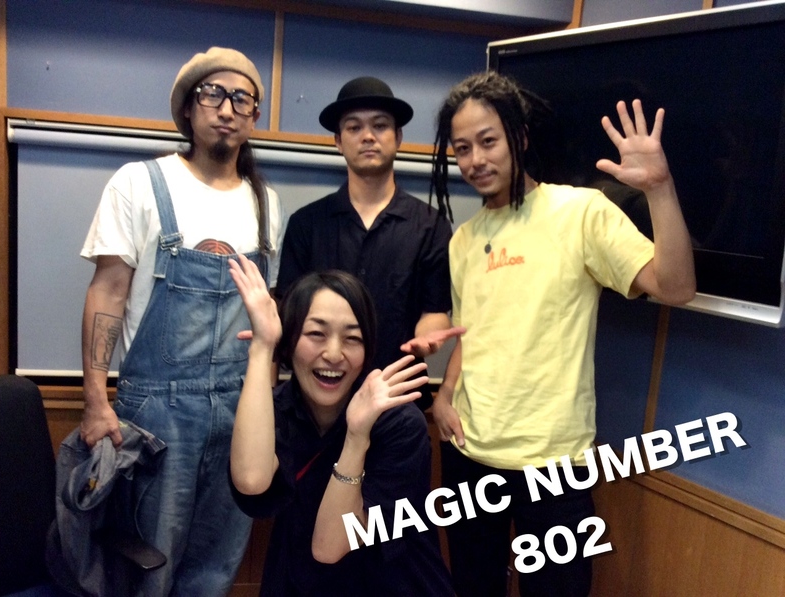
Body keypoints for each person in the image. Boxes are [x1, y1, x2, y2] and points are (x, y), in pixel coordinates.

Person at [428, 71, 696, 596]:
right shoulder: (464, 239)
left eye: (488, 141)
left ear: (520, 137)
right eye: (462, 148)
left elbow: (676, 286)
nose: (475, 159)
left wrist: (659, 188)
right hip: (468, 455)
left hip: (555, 467)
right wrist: (444, 393)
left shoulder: (580, 212)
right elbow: (473, 331)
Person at [79, 47, 286, 595]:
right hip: (157, 412)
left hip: (240, 408)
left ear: (254, 115)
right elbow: (108, 291)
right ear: (188, 109)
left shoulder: (268, 203)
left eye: (241, 98)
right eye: (212, 93)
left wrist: (265, 404)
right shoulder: (140, 183)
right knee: (148, 564)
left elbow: (265, 313)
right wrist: (96, 400)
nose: (227, 108)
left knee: (217, 566)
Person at [228, 257, 454, 596]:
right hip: (301, 581)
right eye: (316, 334)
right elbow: (251, 480)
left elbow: (331, 546)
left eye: (352, 338)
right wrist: (263, 346)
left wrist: (356, 437)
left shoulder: (400, 423)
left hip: (390, 584)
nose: (334, 354)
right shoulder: (276, 408)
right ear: (289, 342)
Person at [275, 76, 462, 408]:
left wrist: (427, 337)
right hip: (317, 404)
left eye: (380, 125)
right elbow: (290, 313)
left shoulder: (430, 225)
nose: (368, 136)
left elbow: (434, 312)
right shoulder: (307, 224)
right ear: (338, 141)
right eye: (354, 127)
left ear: (398, 137)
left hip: (397, 400)